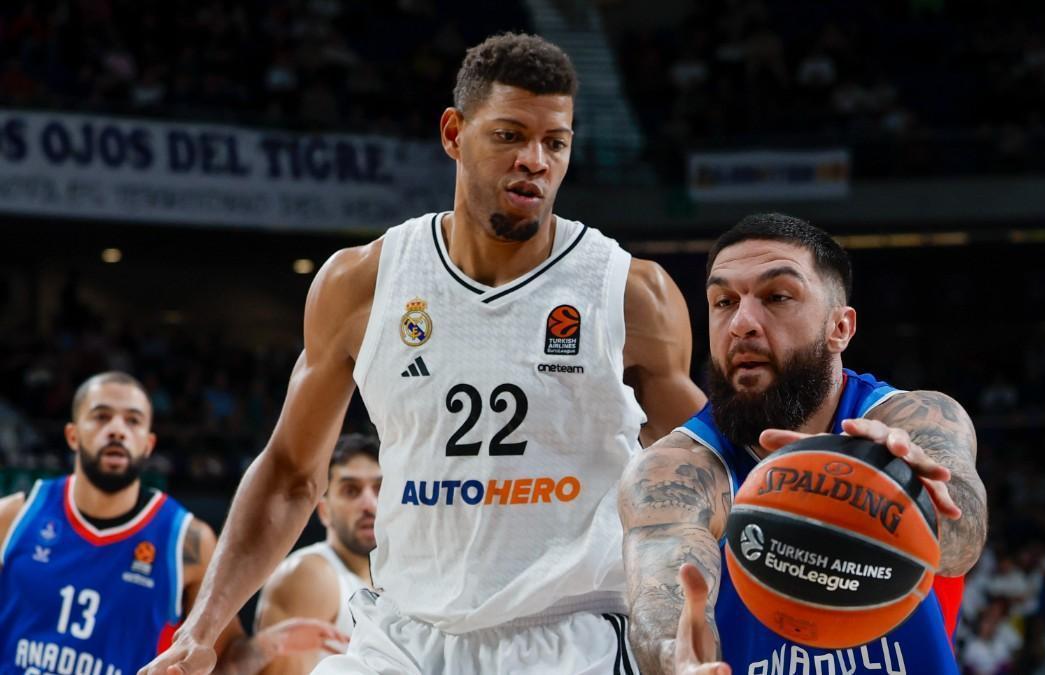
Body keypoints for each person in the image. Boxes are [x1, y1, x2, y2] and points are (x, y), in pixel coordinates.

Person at [143, 32, 706, 675]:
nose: (534, 160)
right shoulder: (361, 284)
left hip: (569, 638)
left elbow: (707, 469)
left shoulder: (629, 294)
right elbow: (290, 474)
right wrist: (201, 628)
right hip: (405, 635)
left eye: (555, 143)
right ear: (453, 133)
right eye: (509, 135)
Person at [619, 213, 988, 675]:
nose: (741, 323)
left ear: (841, 327)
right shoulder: (677, 471)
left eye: (777, 297)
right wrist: (679, 658)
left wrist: (915, 491)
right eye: (724, 302)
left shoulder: (916, 420)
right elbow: (660, 600)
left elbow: (962, 548)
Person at [0, 371, 346, 675]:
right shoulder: (14, 517)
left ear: (148, 444)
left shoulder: (186, 541)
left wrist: (268, 645)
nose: (117, 430)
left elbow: (220, 661)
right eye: (101, 417)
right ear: (73, 435)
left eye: (133, 421)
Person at [254, 433, 382, 674]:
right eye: (351, 490)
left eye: (379, 489)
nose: (370, 504)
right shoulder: (310, 575)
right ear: (324, 511)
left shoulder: (394, 579)